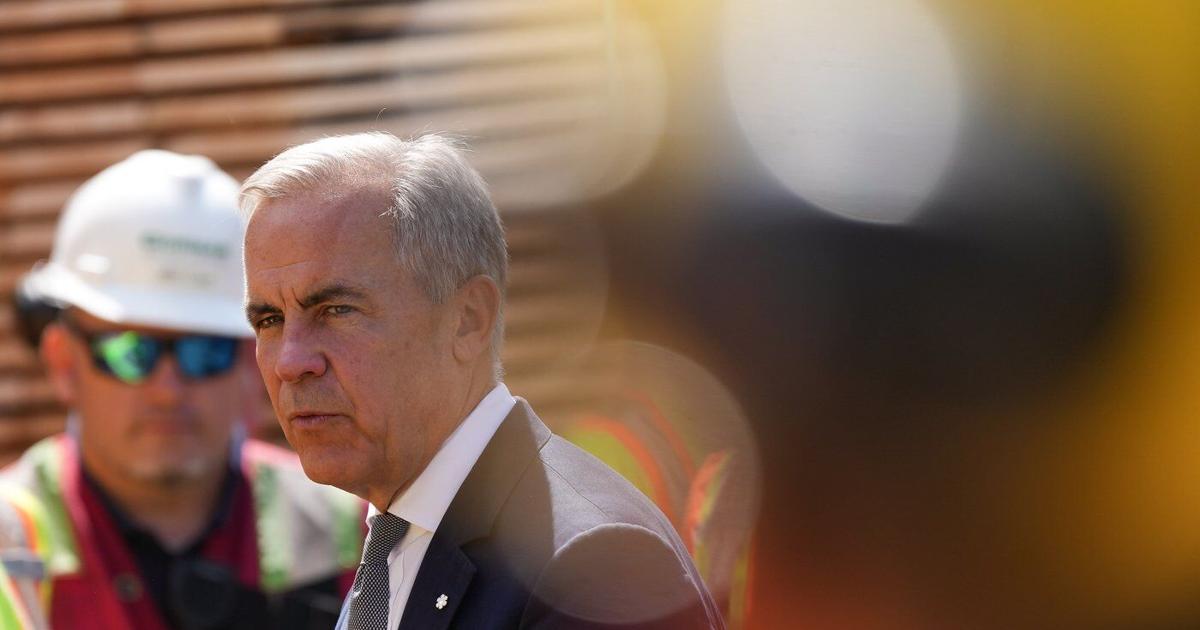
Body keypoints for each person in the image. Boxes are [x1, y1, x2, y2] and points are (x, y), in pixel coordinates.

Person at [240, 132, 724, 630]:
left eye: (337, 310)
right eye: (269, 320)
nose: (290, 362)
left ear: (468, 320)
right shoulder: (399, 538)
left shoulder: (591, 568)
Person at [2, 150, 364, 630]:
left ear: (249, 363)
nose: (168, 391)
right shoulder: (9, 544)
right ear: (63, 363)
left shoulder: (362, 533)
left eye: (205, 351)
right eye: (130, 352)